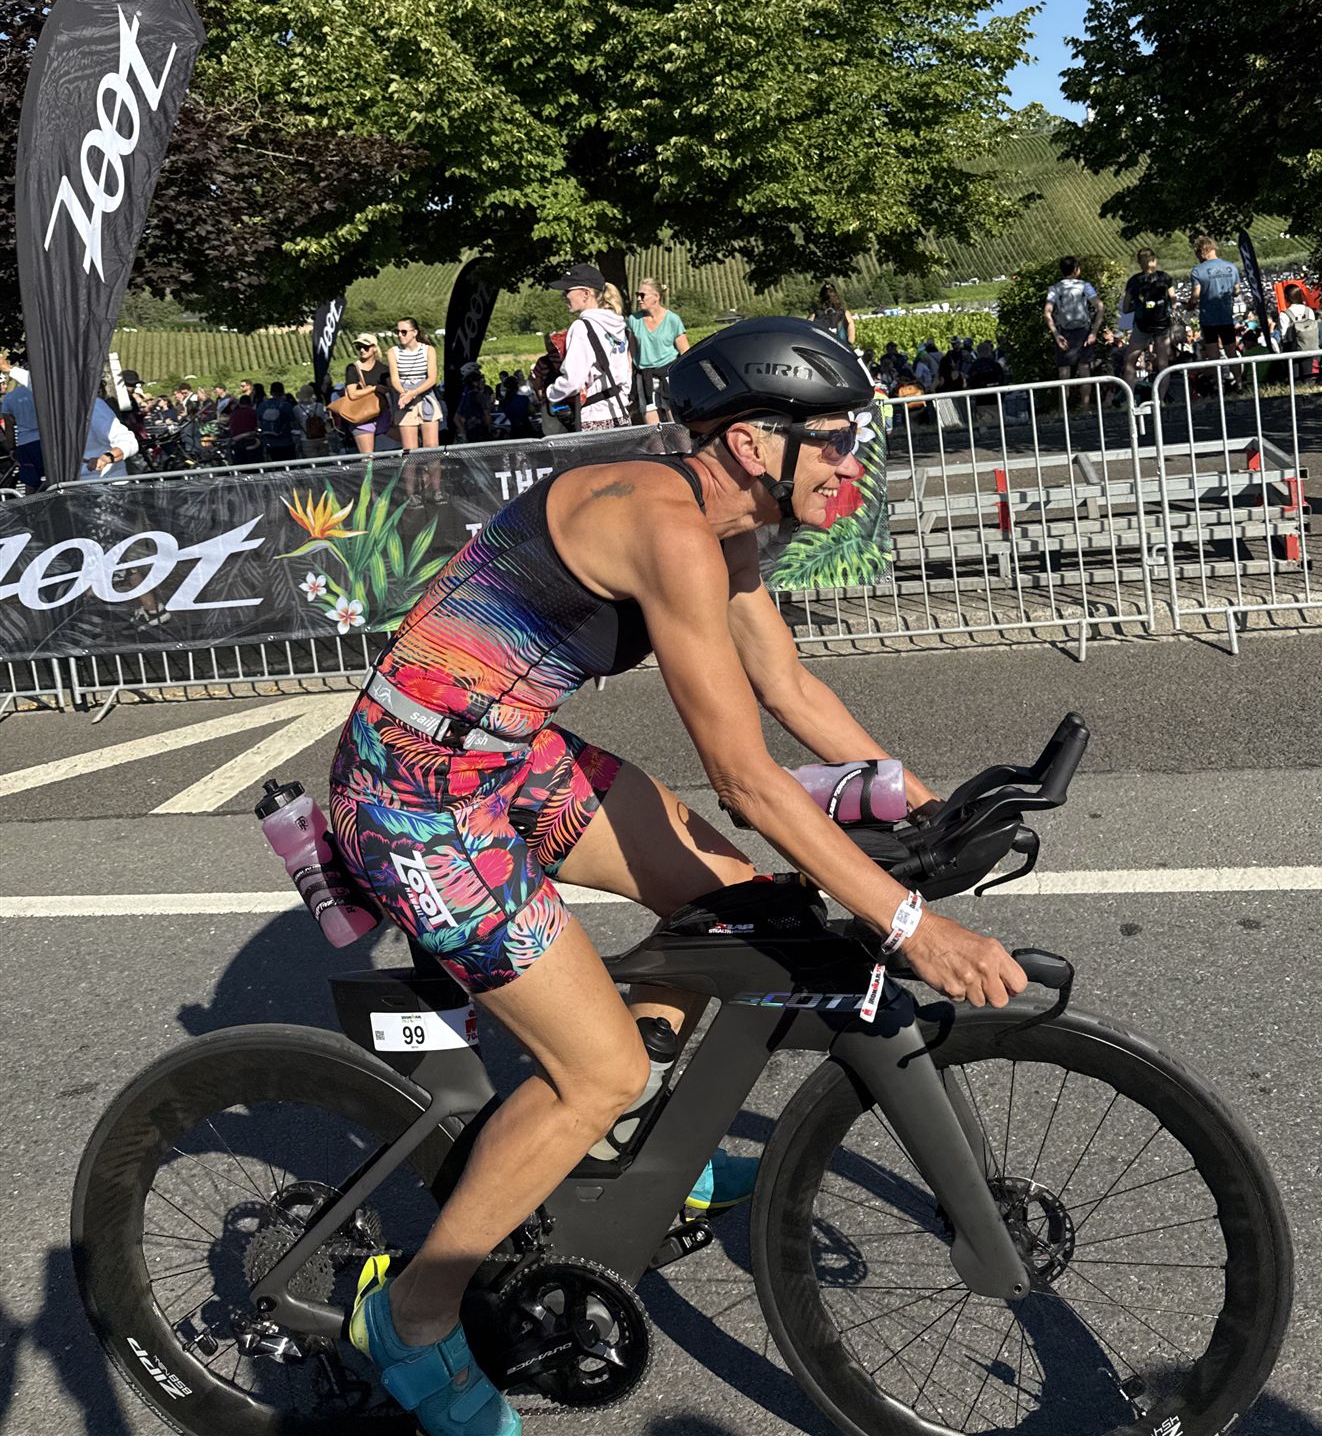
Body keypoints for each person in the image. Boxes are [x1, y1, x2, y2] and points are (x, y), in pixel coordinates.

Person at [329, 316, 1025, 1432]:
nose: (851, 461)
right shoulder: (670, 532)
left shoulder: (725, 521)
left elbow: (790, 691)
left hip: (503, 754)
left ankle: (627, 1139)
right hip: (414, 793)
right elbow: (748, 777)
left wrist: (931, 809)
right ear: (754, 444)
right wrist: (911, 926)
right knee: (594, 1068)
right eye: (833, 439)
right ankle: (412, 1314)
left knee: (728, 897)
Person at [547, 263, 634, 431]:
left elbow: (573, 380)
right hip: (620, 413)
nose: (564, 296)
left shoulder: (582, 327)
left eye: (568, 290)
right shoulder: (618, 325)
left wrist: (551, 393)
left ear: (586, 293)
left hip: (594, 417)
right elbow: (626, 371)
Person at [627, 278, 690, 423]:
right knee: (652, 426)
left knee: (675, 422)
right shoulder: (633, 320)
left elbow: (685, 353)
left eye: (642, 295)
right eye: (637, 294)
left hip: (668, 375)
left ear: (656, 296)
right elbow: (630, 353)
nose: (638, 299)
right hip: (645, 377)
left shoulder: (673, 320)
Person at [1043, 258, 1103, 403]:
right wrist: (1094, 332)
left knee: (1064, 373)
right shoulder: (1085, 286)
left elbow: (1047, 312)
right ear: (1076, 269)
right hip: (1084, 331)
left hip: (1064, 331)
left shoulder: (1055, 288)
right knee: (1085, 371)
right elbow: (1100, 307)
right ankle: (1085, 407)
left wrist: (1056, 334)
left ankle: (1063, 409)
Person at [1120, 249, 1175, 396]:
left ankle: (1130, 398)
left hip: (1142, 325)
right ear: (1155, 260)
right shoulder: (1165, 277)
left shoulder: (1134, 281)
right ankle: (1160, 399)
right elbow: (1173, 300)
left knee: (1130, 361)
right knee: (1163, 363)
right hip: (1162, 325)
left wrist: (1139, 306)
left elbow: (1125, 308)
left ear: (1139, 263)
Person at [389, 319, 444, 451]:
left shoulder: (428, 350)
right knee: (410, 449)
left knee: (431, 447)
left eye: (404, 332)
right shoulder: (393, 352)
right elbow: (394, 379)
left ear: (414, 332)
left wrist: (414, 393)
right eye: (397, 332)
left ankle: (434, 466)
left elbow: (432, 379)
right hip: (405, 398)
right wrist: (404, 394)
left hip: (425, 397)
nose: (400, 335)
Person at [1188, 238, 1243, 368]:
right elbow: (1237, 290)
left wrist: (1190, 306)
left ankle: (1218, 380)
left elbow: (1195, 296)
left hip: (1208, 318)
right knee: (1231, 352)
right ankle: (1239, 379)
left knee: (1213, 356)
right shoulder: (1231, 267)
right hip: (1226, 316)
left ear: (1201, 251)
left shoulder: (1197, 271)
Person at [344, 334, 393, 457]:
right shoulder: (353, 368)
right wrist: (374, 389)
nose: (362, 350)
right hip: (362, 416)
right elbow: (352, 394)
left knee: (407, 447)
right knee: (368, 458)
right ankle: (369, 470)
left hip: (383, 414)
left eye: (365, 347)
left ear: (374, 348)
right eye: (358, 347)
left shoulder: (384, 369)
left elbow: (392, 390)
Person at [1, 358, 44, 489]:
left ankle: (32, 502)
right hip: (45, 441)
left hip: (25, 443)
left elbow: (9, 426)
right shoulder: (42, 392)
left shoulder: (9, 398)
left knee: (30, 483)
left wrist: (12, 448)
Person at [79, 393, 139, 479]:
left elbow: (128, 441)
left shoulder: (92, 406)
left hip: (105, 482)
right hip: (67, 484)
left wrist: (106, 458)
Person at [258, 381, 297, 462]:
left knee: (276, 466)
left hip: (269, 442)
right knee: (290, 465)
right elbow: (293, 424)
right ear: (283, 392)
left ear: (270, 392)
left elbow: (259, 424)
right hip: (286, 441)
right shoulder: (286, 405)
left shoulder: (262, 405)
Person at [809, 283, 857, 349]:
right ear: (836, 296)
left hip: (821, 349)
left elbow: (808, 333)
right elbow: (851, 340)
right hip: (840, 350)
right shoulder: (845, 313)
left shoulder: (814, 315)